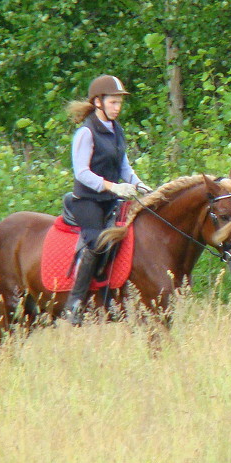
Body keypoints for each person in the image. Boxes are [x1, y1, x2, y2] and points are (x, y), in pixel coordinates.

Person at [59, 74, 150, 325]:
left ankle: (110, 294)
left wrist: (139, 185)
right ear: (98, 102)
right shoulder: (86, 132)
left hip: (111, 200)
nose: (118, 107)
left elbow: (124, 168)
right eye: (113, 102)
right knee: (97, 242)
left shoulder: (117, 130)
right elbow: (82, 172)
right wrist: (113, 187)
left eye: (120, 103)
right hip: (88, 201)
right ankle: (74, 303)